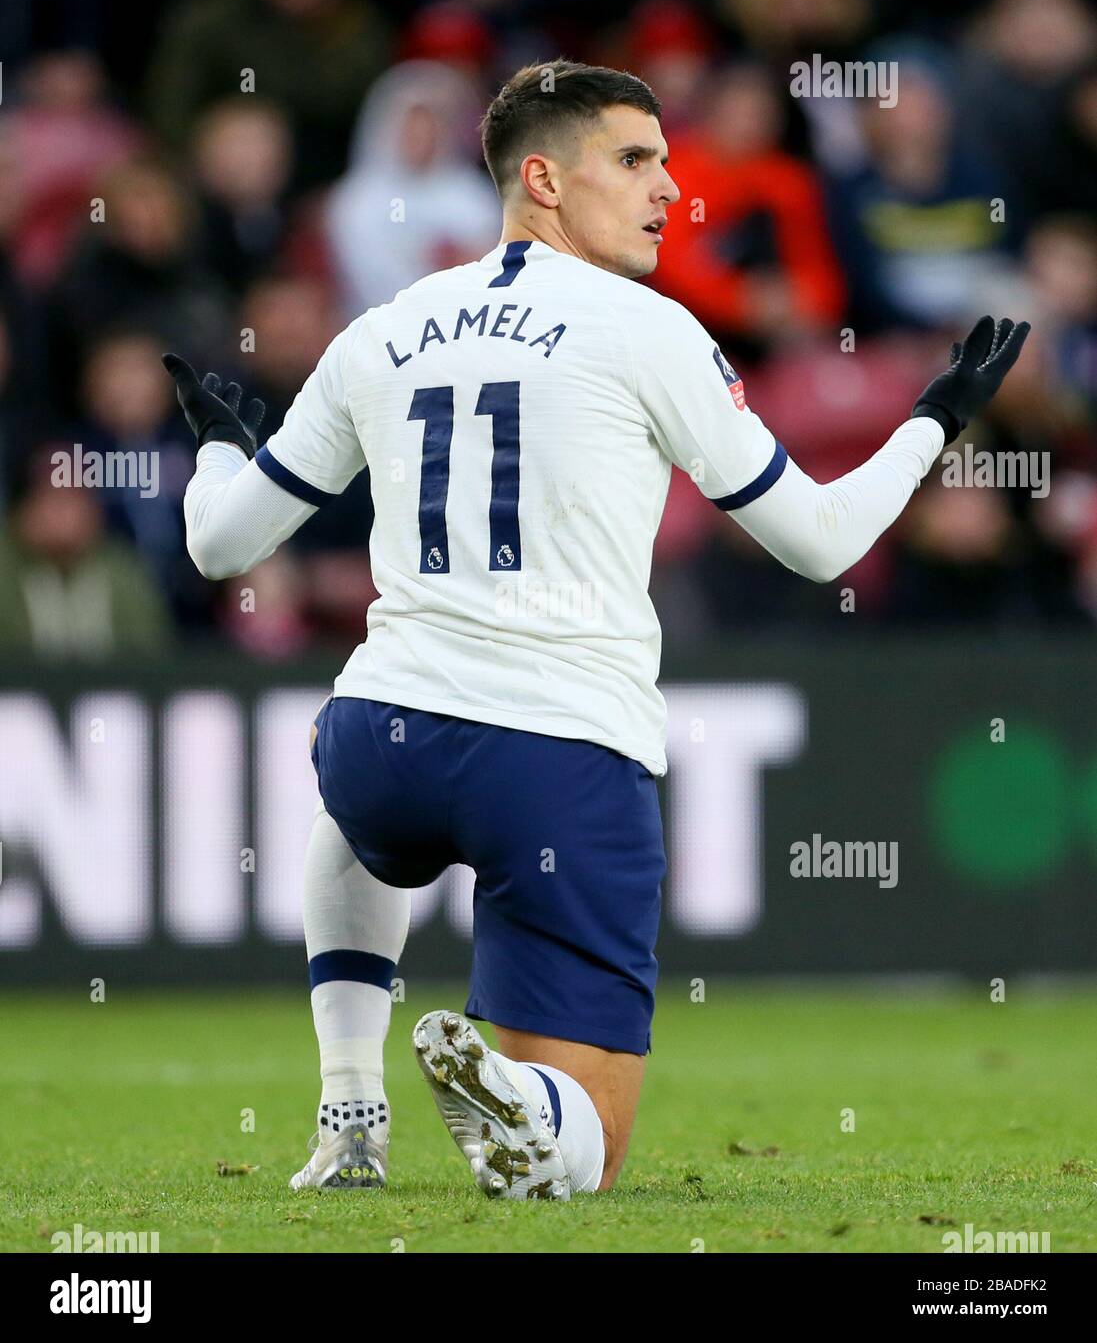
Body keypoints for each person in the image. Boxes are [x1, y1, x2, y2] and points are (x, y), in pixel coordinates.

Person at [166, 60, 1029, 1201]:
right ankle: (523, 1103)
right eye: (634, 160)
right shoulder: (645, 328)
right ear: (541, 177)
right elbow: (818, 543)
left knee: (352, 818)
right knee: (586, 1155)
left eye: (667, 162)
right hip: (557, 755)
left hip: (382, 739)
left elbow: (221, 546)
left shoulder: (386, 328)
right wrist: (932, 422)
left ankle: (348, 1102)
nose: (671, 189)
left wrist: (223, 443)